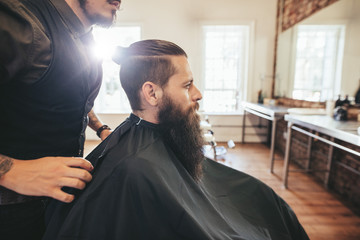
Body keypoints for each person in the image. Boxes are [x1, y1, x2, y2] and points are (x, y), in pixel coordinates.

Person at [43, 39, 309, 240]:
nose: (198, 93)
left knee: (267, 203)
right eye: (186, 85)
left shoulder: (151, 143)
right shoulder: (134, 168)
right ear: (152, 93)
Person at [0, 0, 121, 239]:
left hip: (53, 201)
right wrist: (10, 171)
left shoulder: (84, 37)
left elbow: (73, 99)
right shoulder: (21, 23)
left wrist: (101, 128)